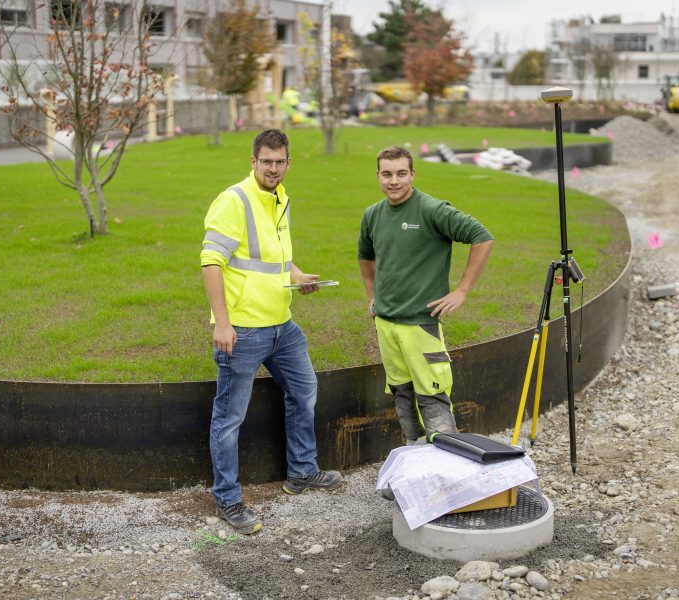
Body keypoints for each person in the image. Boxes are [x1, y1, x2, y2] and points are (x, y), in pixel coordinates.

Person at [201, 129, 342, 535]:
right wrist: (223, 323)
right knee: (229, 418)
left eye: (280, 162)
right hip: (243, 329)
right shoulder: (234, 200)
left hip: (283, 324)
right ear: (253, 161)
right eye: (267, 162)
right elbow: (212, 262)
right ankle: (227, 500)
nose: (274, 169)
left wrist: (297, 276)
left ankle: (301, 472)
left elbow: (273, 258)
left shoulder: (281, 197)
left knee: (304, 390)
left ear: (288, 163)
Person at [358, 146, 494, 444]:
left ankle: (445, 469)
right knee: (402, 397)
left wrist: (462, 290)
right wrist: (372, 298)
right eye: (387, 174)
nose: (394, 181)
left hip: (421, 324)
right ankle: (415, 463)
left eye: (401, 174)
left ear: (412, 175)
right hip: (387, 325)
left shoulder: (431, 210)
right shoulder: (372, 215)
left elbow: (481, 237)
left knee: (432, 399)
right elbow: (365, 258)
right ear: (378, 176)